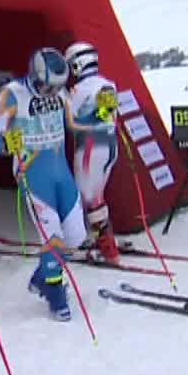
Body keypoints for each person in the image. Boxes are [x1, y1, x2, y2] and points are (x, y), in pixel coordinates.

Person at [0, 47, 86, 321]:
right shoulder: (11, 94)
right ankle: (54, 294)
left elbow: (75, 121)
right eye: (47, 87)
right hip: (32, 173)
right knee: (52, 235)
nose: (52, 93)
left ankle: (43, 275)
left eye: (57, 88)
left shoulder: (60, 92)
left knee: (76, 236)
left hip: (60, 171)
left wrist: (101, 114)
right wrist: (8, 142)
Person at [63, 40, 123, 263]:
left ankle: (107, 249)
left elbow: (70, 122)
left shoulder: (79, 90)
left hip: (90, 146)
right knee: (97, 195)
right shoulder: (108, 84)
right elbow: (107, 115)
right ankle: (105, 240)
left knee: (90, 198)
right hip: (109, 144)